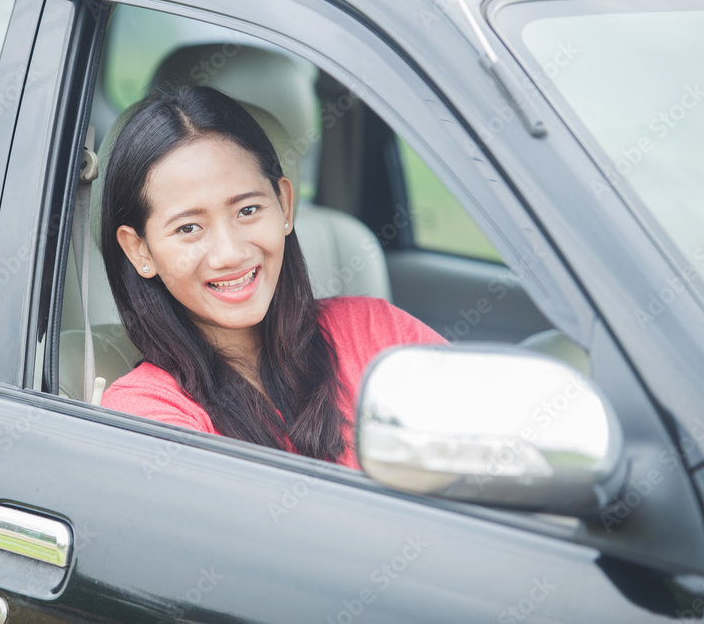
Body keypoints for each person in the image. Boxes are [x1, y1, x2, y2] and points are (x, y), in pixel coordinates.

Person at [99, 86, 446, 469]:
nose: (230, 253)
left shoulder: (377, 334)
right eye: (188, 228)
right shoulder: (146, 412)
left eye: (247, 210)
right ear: (139, 250)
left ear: (283, 204)